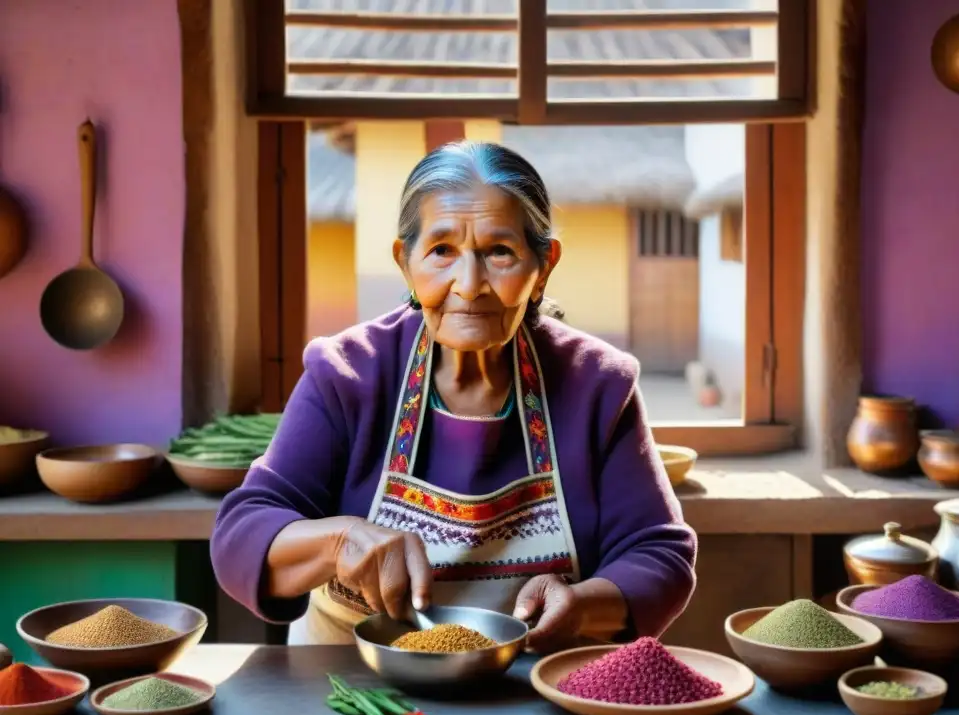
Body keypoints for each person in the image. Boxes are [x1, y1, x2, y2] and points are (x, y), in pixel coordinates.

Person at [210, 141, 697, 651]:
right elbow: (240, 535)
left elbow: (659, 552)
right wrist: (340, 541)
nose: (469, 285)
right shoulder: (348, 375)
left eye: (499, 253)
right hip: (349, 685)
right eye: (442, 251)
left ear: (543, 266)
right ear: (406, 264)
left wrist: (583, 606)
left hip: (530, 690)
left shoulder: (596, 384)